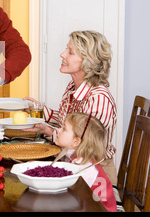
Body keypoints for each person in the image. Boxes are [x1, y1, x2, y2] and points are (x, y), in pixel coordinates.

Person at [23, 30, 117, 183]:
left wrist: (49, 132)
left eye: (70, 52)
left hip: (95, 175)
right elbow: (69, 121)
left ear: (88, 61)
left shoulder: (98, 99)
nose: (62, 54)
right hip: (72, 165)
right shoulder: (72, 87)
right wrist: (40, 112)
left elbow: (83, 145)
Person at [56, 112, 116, 212]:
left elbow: (73, 199)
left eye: (64, 129)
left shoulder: (83, 168)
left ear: (76, 142)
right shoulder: (77, 157)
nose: (58, 130)